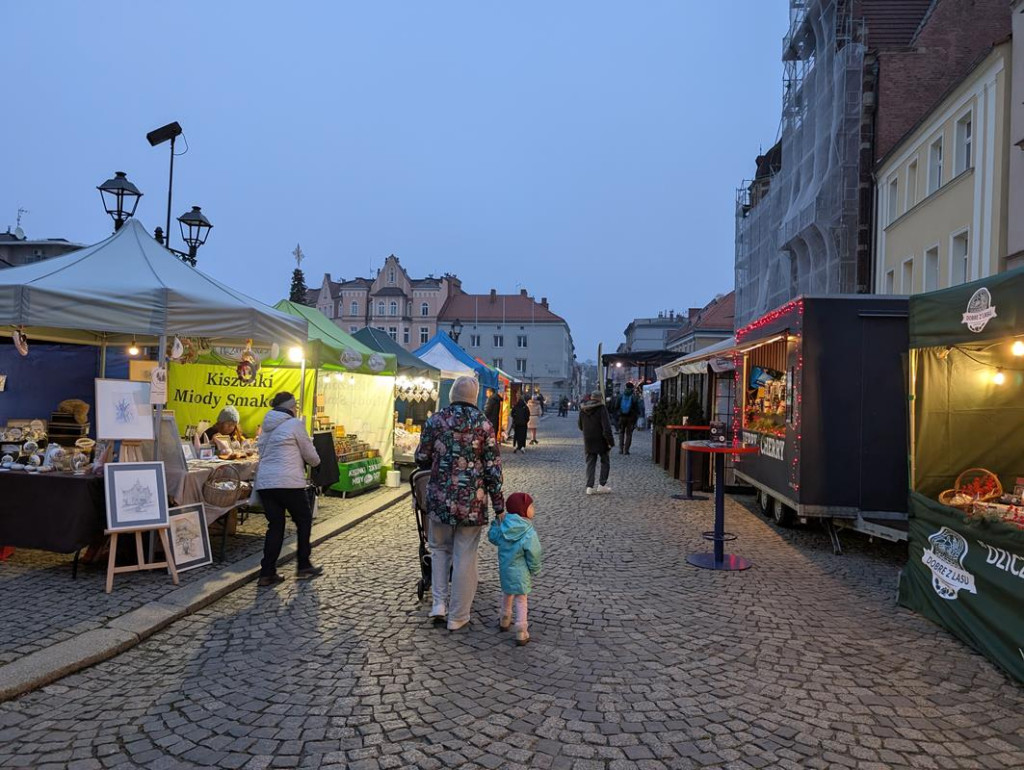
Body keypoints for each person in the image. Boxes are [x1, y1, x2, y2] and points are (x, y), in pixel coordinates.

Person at [416, 376, 504, 631]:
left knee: (439, 550)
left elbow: (421, 455)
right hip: (471, 503)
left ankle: (438, 605)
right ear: (474, 397)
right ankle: (458, 616)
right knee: (465, 555)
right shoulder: (484, 425)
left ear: (452, 395)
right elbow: (493, 469)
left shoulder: (435, 420)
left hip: (440, 500)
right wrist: (499, 505)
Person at [255, 392, 323, 587]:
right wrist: (317, 463)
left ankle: (267, 573)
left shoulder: (266, 427)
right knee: (303, 520)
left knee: (275, 526)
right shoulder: (294, 425)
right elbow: (310, 453)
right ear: (291, 407)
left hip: (266, 484)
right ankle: (303, 565)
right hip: (288, 483)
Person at [488, 492, 541, 646]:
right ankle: (521, 630)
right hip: (521, 573)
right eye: (531, 506)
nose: (534, 509)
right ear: (524, 510)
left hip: (505, 571)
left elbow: (493, 537)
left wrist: (496, 522)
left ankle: (504, 619)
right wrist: (535, 568)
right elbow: (534, 552)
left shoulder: (503, 527)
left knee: (507, 593)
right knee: (521, 599)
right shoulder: (528, 531)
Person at [579, 390, 614, 495]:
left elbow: (580, 426)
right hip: (601, 439)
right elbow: (607, 427)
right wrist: (610, 442)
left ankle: (589, 487)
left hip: (588, 439)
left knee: (590, 462)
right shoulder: (602, 408)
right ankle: (602, 485)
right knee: (605, 462)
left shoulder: (583, 409)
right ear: (600, 398)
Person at [616, 382, 642, 455]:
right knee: (629, 434)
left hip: (622, 417)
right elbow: (637, 408)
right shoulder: (634, 397)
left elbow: (616, 407)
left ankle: (620, 449)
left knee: (621, 433)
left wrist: (619, 413)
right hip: (631, 418)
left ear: (625, 387)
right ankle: (626, 450)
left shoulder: (620, 396)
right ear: (632, 388)